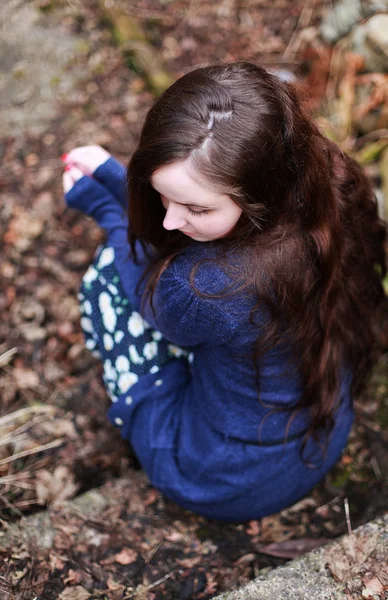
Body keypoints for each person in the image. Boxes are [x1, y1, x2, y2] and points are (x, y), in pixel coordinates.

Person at [62, 61, 387, 523]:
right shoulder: (325, 180)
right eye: (161, 194)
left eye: (195, 207)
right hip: (321, 429)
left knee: (109, 279)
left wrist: (106, 208)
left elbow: (152, 301)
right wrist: (118, 179)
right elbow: (185, 220)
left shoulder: (206, 287)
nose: (171, 219)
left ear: (256, 196)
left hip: (226, 475)